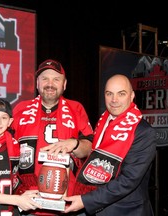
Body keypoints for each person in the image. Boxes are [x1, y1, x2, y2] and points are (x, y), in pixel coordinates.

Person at [62, 74, 157, 216]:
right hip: (96, 206)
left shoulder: (144, 132)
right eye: (109, 94)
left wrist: (86, 201)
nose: (114, 100)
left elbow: (128, 180)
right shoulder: (103, 123)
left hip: (126, 211)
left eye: (121, 94)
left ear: (132, 96)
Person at [11, 59, 94, 215]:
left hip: (68, 202)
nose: (50, 83)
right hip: (29, 200)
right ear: (37, 83)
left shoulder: (76, 109)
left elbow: (89, 148)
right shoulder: (20, 110)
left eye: (56, 79)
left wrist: (74, 144)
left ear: (64, 84)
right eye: (45, 78)